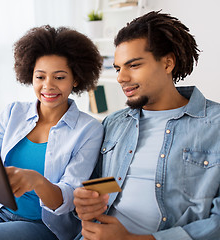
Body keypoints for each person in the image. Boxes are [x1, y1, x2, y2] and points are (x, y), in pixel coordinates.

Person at [0, 25, 104, 240]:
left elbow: (68, 198)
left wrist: (36, 180)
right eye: (40, 77)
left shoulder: (89, 129)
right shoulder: (14, 113)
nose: (48, 86)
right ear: (30, 76)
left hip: (42, 224)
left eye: (59, 77)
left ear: (76, 79)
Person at [73, 11, 220, 240]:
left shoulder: (215, 125)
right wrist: (86, 201)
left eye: (133, 65)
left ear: (168, 63)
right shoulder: (115, 123)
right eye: (119, 68)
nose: (121, 77)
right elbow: (108, 184)